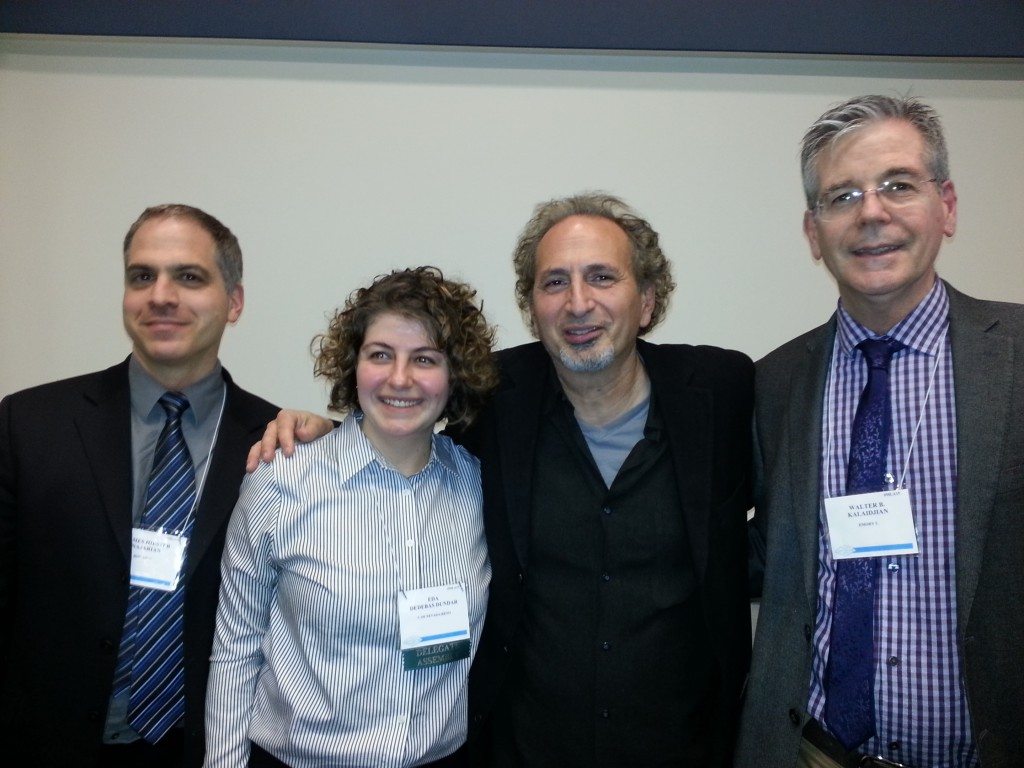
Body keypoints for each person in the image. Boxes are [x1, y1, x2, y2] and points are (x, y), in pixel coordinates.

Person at [255, 194, 754, 766]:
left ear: (646, 300)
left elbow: (784, 517)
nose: (578, 303)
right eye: (555, 283)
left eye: (601, 277)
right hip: (523, 749)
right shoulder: (495, 399)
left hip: (683, 748)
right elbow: (405, 415)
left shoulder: (721, 392)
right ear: (532, 307)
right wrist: (327, 428)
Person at [738, 95, 1024, 768]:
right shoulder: (774, 383)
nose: (871, 212)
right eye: (842, 196)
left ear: (946, 206)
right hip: (812, 753)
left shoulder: (1015, 355)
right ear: (813, 232)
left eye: (898, 185)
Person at [0, 204, 279, 766]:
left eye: (190, 277)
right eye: (142, 276)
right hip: (50, 742)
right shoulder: (29, 425)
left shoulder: (281, 446)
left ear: (235, 301)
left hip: (210, 748)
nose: (161, 295)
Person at [204, 267, 498, 768]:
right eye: (380, 354)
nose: (399, 378)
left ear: (455, 377)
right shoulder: (281, 482)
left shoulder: (479, 484)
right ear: (353, 365)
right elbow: (236, 648)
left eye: (424, 359)